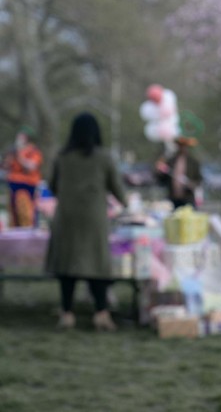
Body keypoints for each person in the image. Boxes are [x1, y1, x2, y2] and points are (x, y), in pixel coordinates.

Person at [45, 112, 128, 331]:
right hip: (94, 218)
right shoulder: (104, 157)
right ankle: (101, 313)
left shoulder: (62, 157)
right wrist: (126, 202)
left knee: (67, 266)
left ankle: (67, 313)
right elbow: (117, 189)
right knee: (97, 266)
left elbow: (52, 186)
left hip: (67, 218)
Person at [2, 127, 43, 227]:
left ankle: (31, 227)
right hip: (14, 183)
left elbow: (32, 166)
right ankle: (16, 228)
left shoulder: (34, 151)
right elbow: (6, 166)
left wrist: (20, 157)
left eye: (22, 137)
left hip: (29, 184)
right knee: (13, 210)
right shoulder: (13, 151)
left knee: (29, 210)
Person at [155, 136, 202, 209]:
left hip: (187, 197)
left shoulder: (193, 162)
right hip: (173, 198)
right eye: (181, 146)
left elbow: (198, 179)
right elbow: (162, 179)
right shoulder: (171, 161)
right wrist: (159, 171)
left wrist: (192, 184)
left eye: (184, 146)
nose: (182, 148)